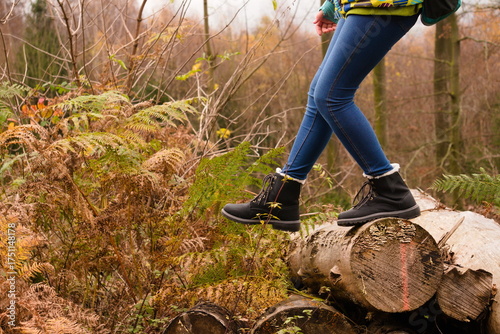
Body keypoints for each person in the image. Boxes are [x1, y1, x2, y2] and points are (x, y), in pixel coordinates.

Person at [221, 0, 423, 232]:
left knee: (332, 96)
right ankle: (281, 197)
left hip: (383, 6)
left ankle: (391, 192)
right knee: (320, 96)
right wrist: (332, 6)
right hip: (360, 6)